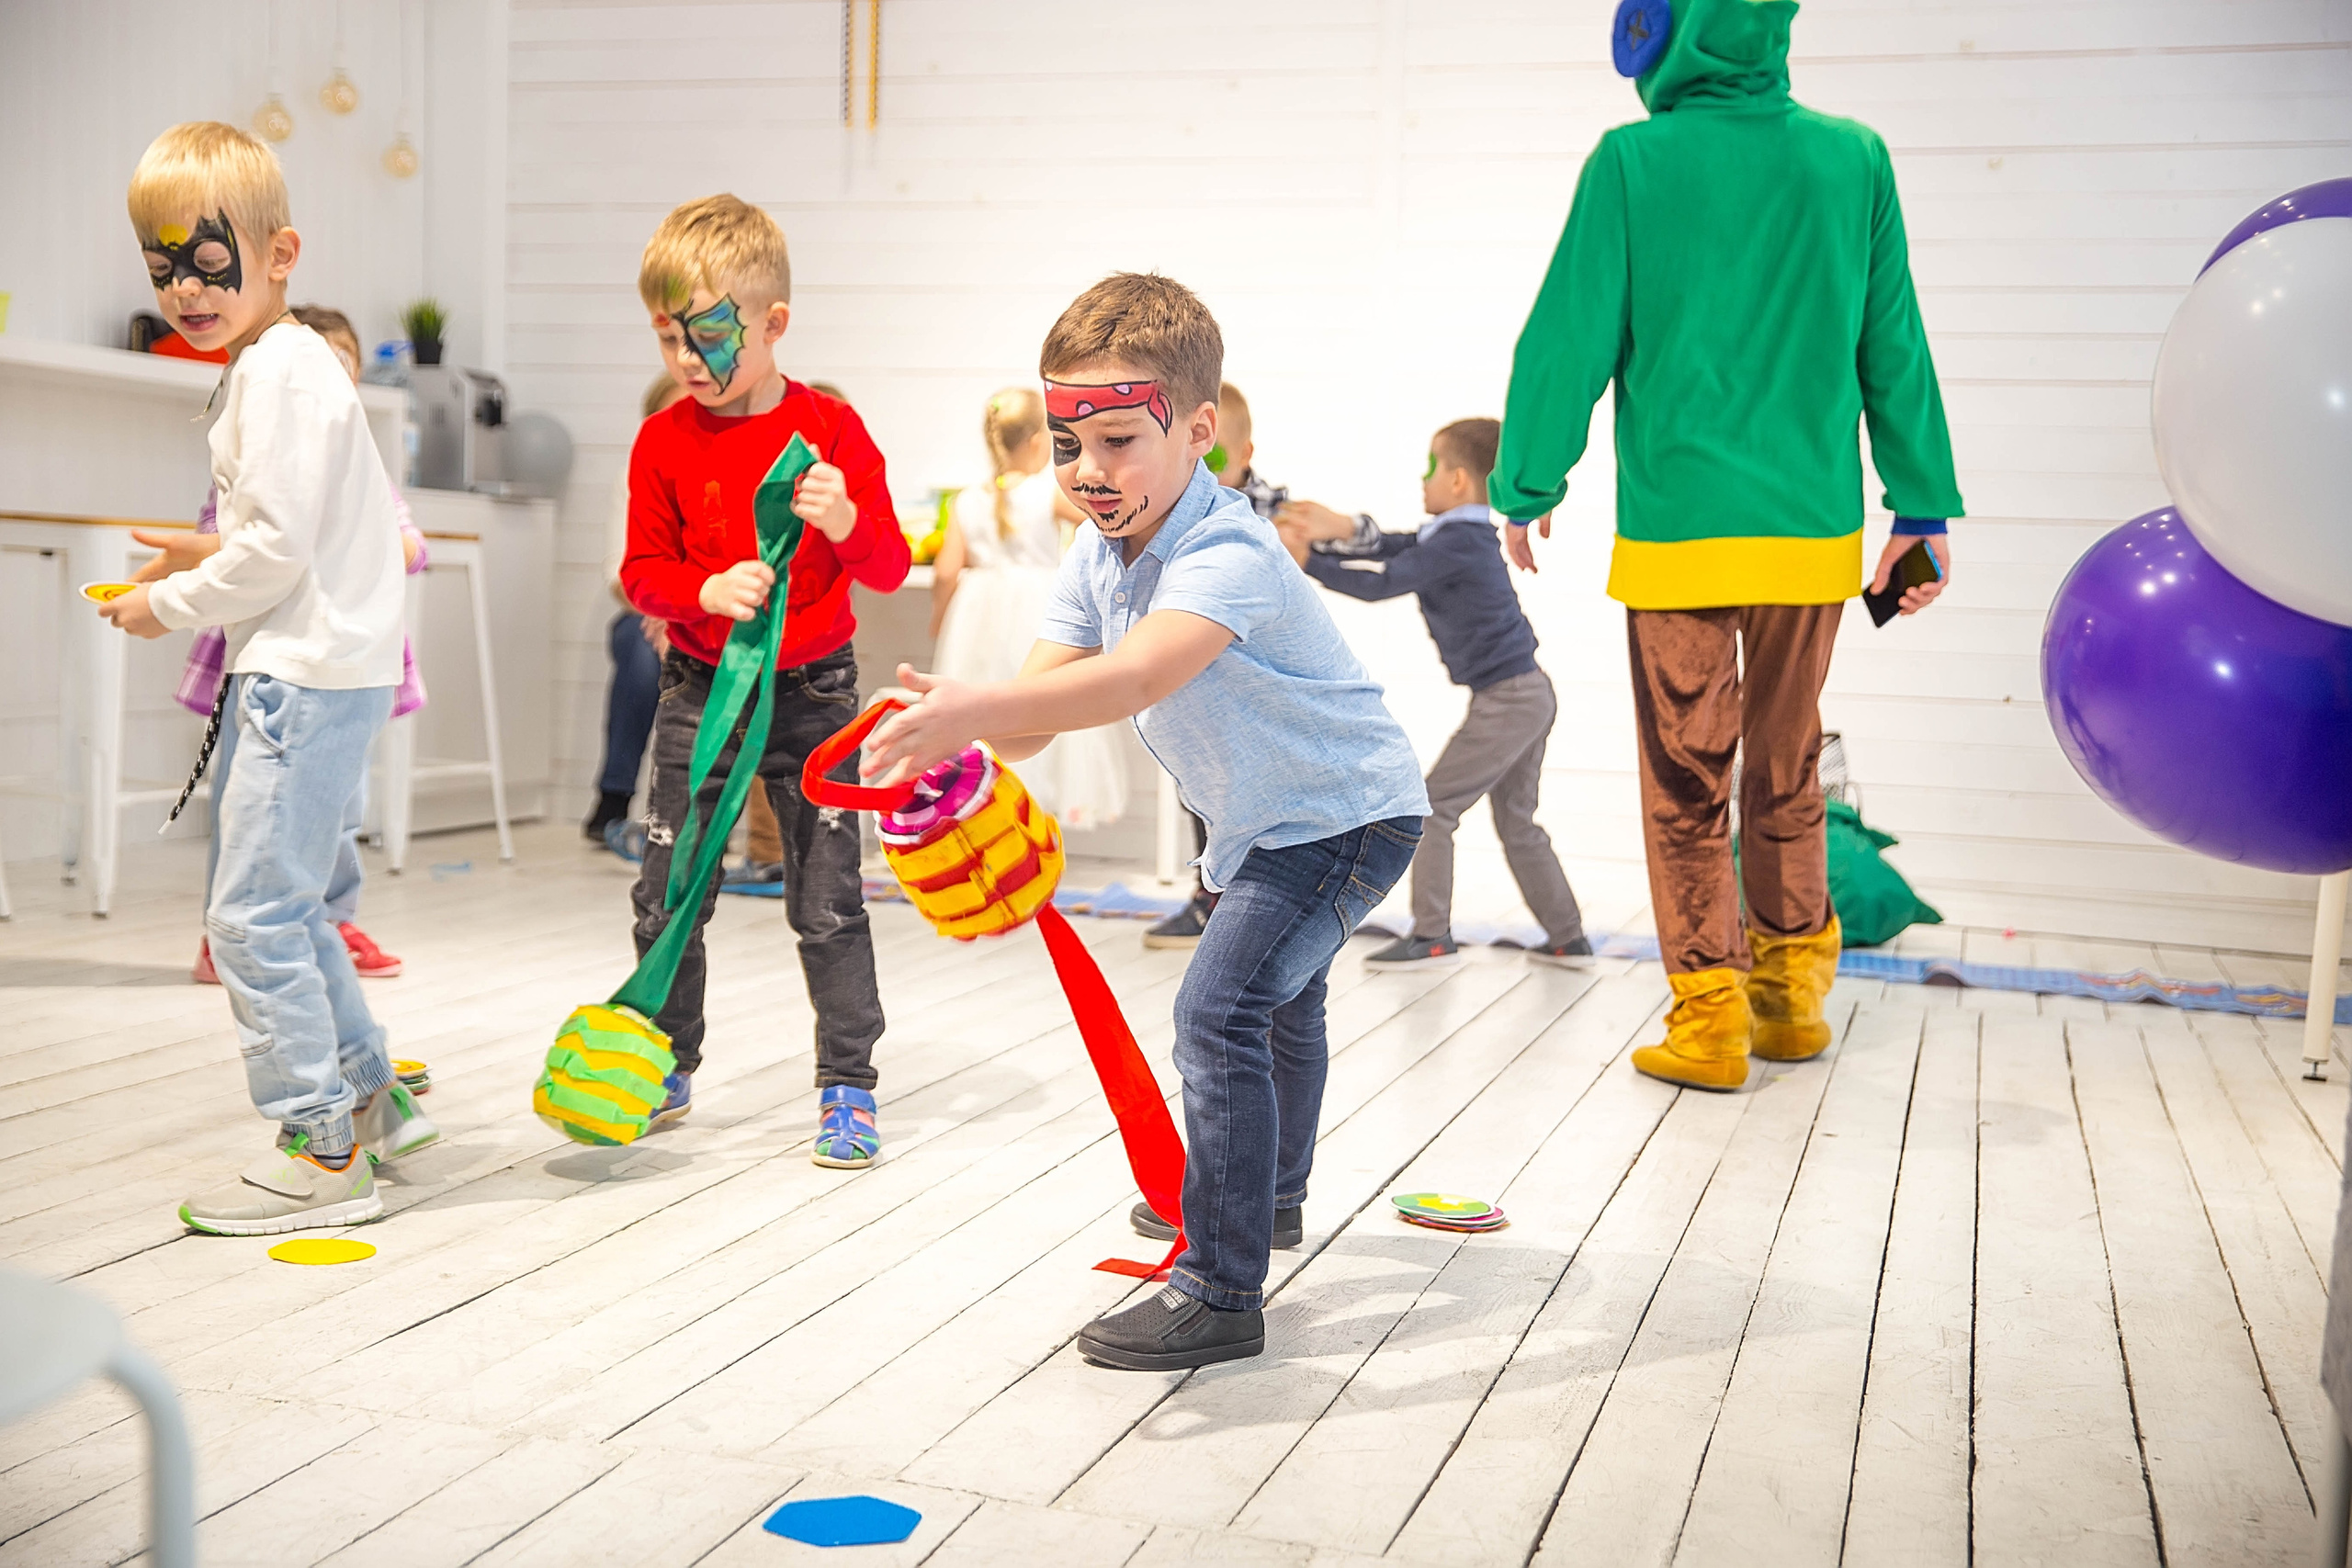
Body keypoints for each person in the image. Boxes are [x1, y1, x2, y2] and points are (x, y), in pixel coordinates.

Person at [861, 273, 1428, 1371]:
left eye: (1117, 440)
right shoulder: (1093, 552)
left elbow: (1129, 684)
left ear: (1198, 431)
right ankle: (1260, 1208)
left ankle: (1220, 1287)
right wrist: (961, 721)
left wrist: (983, 709)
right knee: (1277, 1011)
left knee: (1221, 1013)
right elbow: (1033, 726)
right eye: (1069, 446)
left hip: (1346, 816)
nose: (1088, 473)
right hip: (1266, 824)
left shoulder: (1230, 552)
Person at [1491, 0, 1961, 1090]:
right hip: (1811, 539)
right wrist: (1920, 510)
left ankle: (1709, 1020)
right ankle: (1792, 1000)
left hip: (1681, 539)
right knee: (1787, 768)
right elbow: (1892, 339)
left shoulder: (1630, 162)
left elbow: (1568, 332)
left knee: (1685, 781)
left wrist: (1527, 480)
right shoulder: (1854, 159)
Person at [102, 121, 437, 1235]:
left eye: (209, 262)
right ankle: (371, 1100)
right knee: (286, 910)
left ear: (279, 253)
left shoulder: (279, 371)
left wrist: (167, 605)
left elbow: (278, 555)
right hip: (319, 669)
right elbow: (298, 534)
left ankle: (323, 1146)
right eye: (164, 269)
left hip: (300, 679)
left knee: (247, 918)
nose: (186, 290)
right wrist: (200, 560)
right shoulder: (285, 364)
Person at [618, 194, 910, 1165]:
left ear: (773, 321)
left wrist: (841, 521)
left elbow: (888, 565)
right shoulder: (662, 440)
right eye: (669, 340)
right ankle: (664, 1060)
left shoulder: (832, 428)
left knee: (827, 900)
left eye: (708, 336)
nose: (689, 363)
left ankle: (848, 1086)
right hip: (699, 689)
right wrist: (701, 587)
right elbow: (640, 573)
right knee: (666, 894)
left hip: (815, 694)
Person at [162, 304, 425, 986]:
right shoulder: (254, 457)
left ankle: (330, 922)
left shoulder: (363, 470)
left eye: (345, 366)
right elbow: (222, 544)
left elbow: (410, 544)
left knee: (339, 808)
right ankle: (224, 935)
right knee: (243, 807)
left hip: (343, 669)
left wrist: (362, 542)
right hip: (263, 663)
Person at [1279, 417, 1592, 970]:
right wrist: (1339, 530)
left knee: (1433, 809)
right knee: (1516, 820)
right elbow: (1396, 547)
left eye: (1431, 467)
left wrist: (1307, 561)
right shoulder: (1457, 537)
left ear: (1457, 483)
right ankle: (1568, 938)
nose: (1422, 479)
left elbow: (1382, 582)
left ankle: (1432, 934)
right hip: (1523, 693)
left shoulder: (1460, 542)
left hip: (1512, 699)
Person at [929, 386, 1125, 827]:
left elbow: (946, 571)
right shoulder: (1045, 492)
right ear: (1040, 441)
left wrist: (940, 621)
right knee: (1036, 702)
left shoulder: (966, 499)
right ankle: (1033, 813)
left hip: (977, 617)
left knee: (984, 710)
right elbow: (1105, 524)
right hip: (1036, 609)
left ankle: (982, 810)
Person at [1140, 379, 1283, 950]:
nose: (1203, 469)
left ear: (1244, 456)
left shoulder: (1263, 515)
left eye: (1215, 458)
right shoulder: (1172, 510)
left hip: (1254, 683)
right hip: (1195, 684)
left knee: (1252, 798)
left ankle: (1246, 901)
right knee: (1194, 788)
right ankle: (1210, 896)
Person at [586, 372, 689, 848]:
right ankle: (615, 793)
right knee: (641, 651)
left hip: (707, 614)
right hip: (645, 611)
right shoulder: (633, 480)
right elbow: (619, 572)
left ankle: (694, 810)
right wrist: (661, 611)